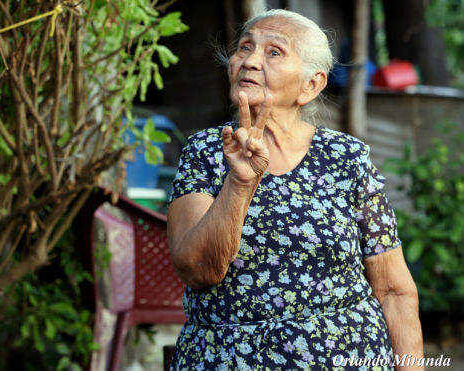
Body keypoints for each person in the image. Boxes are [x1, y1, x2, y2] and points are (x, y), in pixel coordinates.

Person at [167, 9, 424, 371]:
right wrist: (239, 183)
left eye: (274, 52)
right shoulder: (206, 152)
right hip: (231, 359)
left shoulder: (346, 158)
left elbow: (394, 290)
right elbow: (198, 269)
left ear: (311, 85)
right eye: (245, 47)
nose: (251, 61)